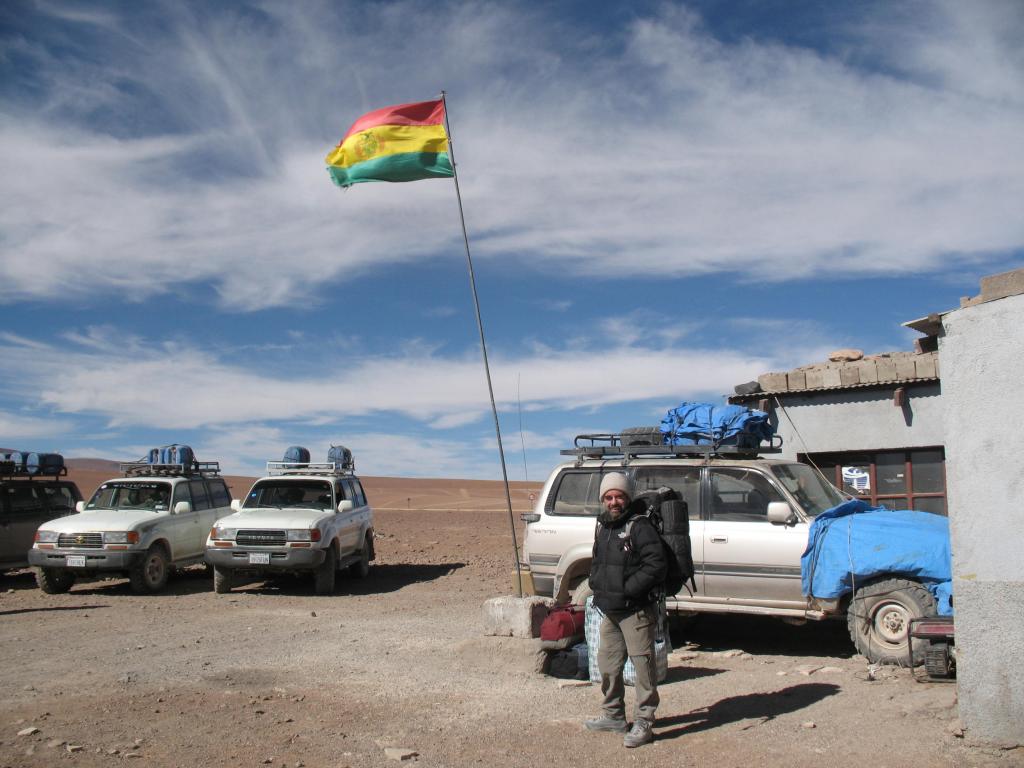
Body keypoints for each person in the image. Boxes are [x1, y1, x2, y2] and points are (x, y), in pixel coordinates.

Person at [584, 472, 667, 748]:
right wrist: (597, 586)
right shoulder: (604, 526)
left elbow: (656, 565)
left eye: (618, 496)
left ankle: (644, 721)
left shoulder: (640, 526)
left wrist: (629, 590)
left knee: (643, 666)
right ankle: (613, 715)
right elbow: (597, 562)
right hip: (611, 609)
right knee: (607, 664)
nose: (613, 501)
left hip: (636, 609)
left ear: (627, 497)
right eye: (608, 497)